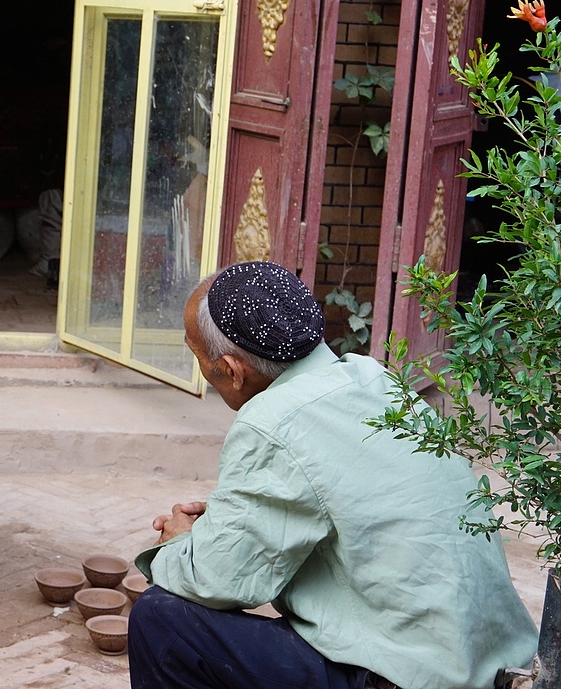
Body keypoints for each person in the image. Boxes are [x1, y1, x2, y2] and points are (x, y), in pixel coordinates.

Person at [128, 261, 537, 689]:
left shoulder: (272, 419)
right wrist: (233, 514)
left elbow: (217, 580)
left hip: (409, 677)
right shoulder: (375, 378)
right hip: (486, 663)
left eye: (198, 357)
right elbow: (353, 499)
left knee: (162, 618)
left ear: (231, 369)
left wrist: (180, 544)